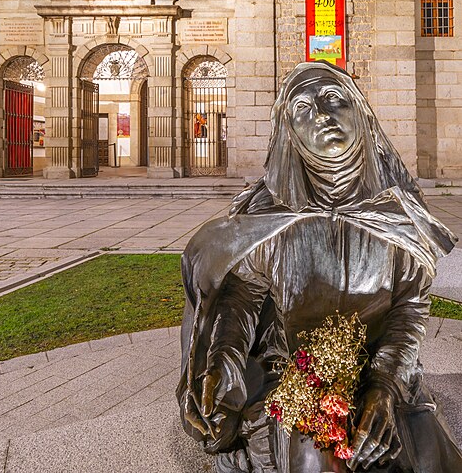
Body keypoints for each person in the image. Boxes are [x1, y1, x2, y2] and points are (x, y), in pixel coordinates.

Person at [178, 61, 462, 472]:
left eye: (333, 100)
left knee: (398, 452)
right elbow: (239, 301)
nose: (322, 117)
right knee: (315, 455)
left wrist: (384, 386)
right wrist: (223, 360)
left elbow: (408, 310)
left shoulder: (399, 216)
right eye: (303, 109)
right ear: (290, 132)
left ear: (360, 112)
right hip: (293, 369)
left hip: (376, 365)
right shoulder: (268, 216)